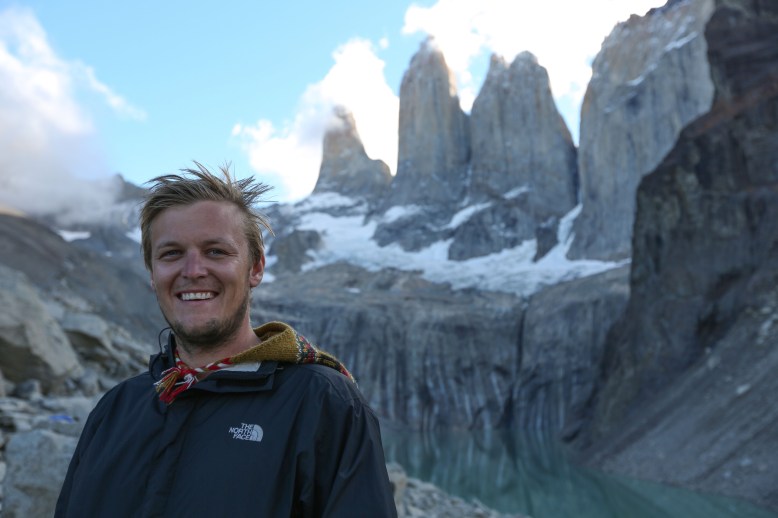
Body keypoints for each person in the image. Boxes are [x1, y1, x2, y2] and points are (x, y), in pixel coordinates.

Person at [55, 162, 397, 517]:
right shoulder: (116, 408)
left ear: (256, 268)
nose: (193, 271)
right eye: (171, 254)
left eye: (216, 251)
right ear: (152, 274)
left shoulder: (323, 402)